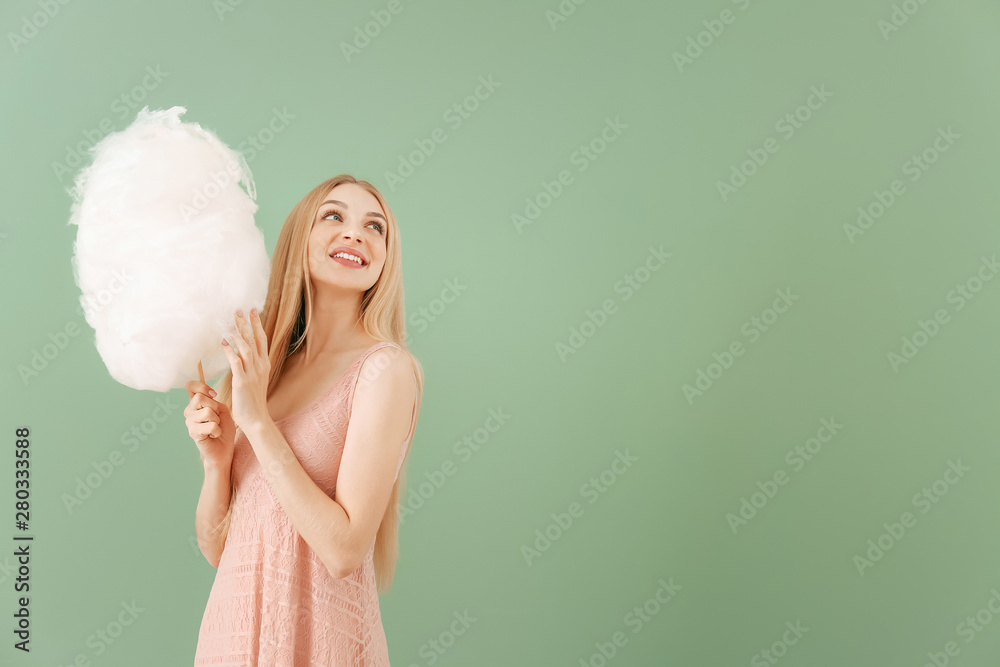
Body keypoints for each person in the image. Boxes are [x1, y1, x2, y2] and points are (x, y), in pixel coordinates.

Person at [183, 174, 423, 665]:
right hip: (229, 642)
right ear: (299, 238)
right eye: (334, 216)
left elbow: (344, 552)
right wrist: (217, 460)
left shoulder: (385, 370)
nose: (355, 233)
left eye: (375, 227)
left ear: (384, 261)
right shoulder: (264, 373)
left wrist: (259, 427)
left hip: (322, 645)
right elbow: (218, 550)